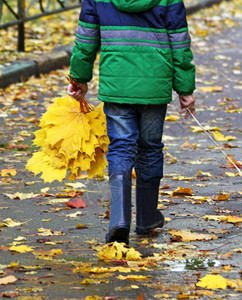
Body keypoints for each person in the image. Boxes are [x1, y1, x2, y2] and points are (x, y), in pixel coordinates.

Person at [67, 0, 196, 244]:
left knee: (121, 147)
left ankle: (118, 218)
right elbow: (179, 41)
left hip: (117, 83)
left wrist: (79, 78)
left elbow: (85, 39)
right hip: (154, 82)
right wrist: (184, 87)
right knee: (150, 148)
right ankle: (147, 218)